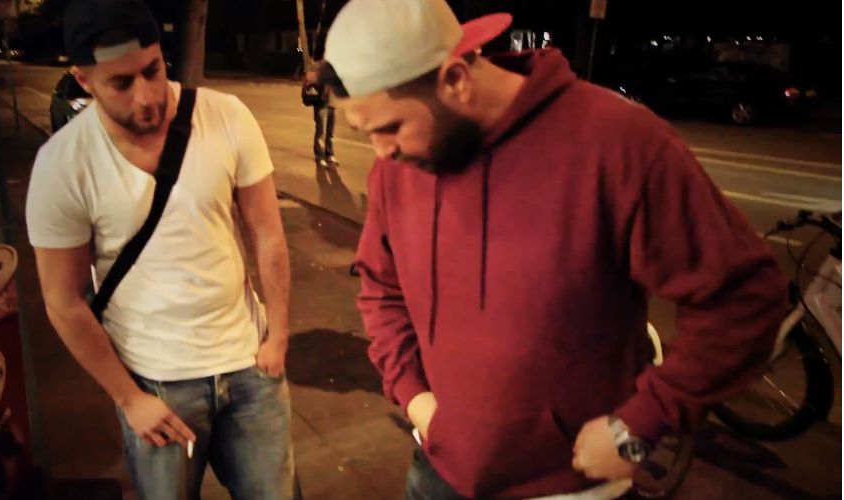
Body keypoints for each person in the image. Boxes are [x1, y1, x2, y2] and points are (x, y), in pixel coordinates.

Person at [319, 0, 788, 499]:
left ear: (455, 79)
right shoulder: (397, 168)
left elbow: (743, 297)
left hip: (569, 485)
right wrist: (416, 399)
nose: (381, 152)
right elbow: (382, 288)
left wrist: (639, 425)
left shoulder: (617, 142)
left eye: (390, 127)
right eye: (365, 132)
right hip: (437, 470)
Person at [25, 1, 300, 499]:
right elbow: (62, 300)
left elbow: (267, 234)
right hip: (155, 382)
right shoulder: (62, 165)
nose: (147, 95)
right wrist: (128, 398)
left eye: (152, 70)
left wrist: (277, 335)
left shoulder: (226, 116)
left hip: (251, 368)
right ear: (83, 80)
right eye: (121, 83)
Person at [302, 60, 339, 169]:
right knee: (321, 131)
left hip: (332, 101)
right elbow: (309, 79)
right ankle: (320, 156)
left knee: (330, 131)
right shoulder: (317, 65)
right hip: (320, 102)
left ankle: (329, 154)